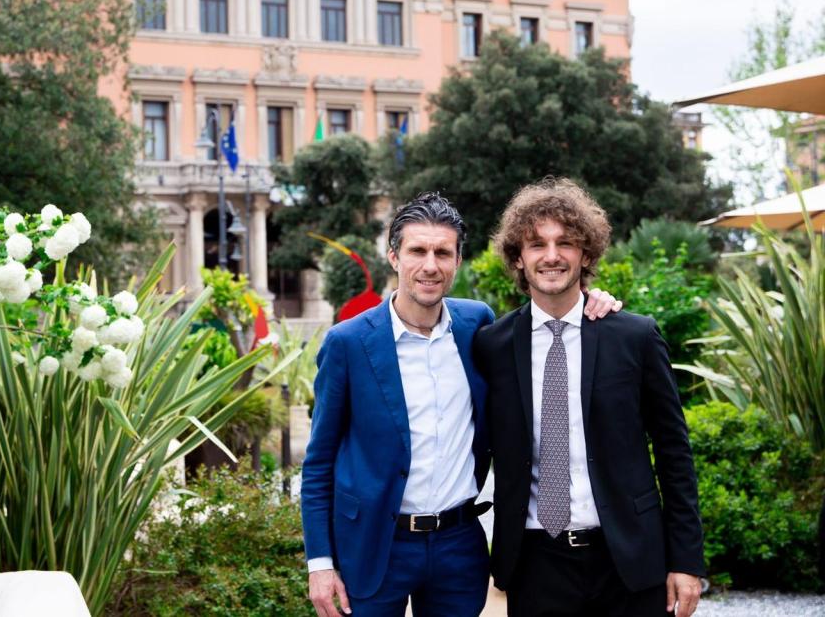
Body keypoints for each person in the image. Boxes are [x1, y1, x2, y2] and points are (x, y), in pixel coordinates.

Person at [301, 192, 619, 617]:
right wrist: (320, 564)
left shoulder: (477, 325)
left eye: (443, 253)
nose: (430, 265)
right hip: (376, 544)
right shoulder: (348, 343)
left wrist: (592, 299)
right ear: (394, 257)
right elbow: (318, 462)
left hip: (458, 545)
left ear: (458, 261)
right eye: (418, 251)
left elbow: (545, 319)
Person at [472, 178, 704, 617]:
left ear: (586, 253)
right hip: (536, 564)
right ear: (518, 257)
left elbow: (675, 454)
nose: (552, 255)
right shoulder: (492, 346)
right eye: (537, 244)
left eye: (566, 242)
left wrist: (686, 560)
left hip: (628, 559)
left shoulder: (635, 337)